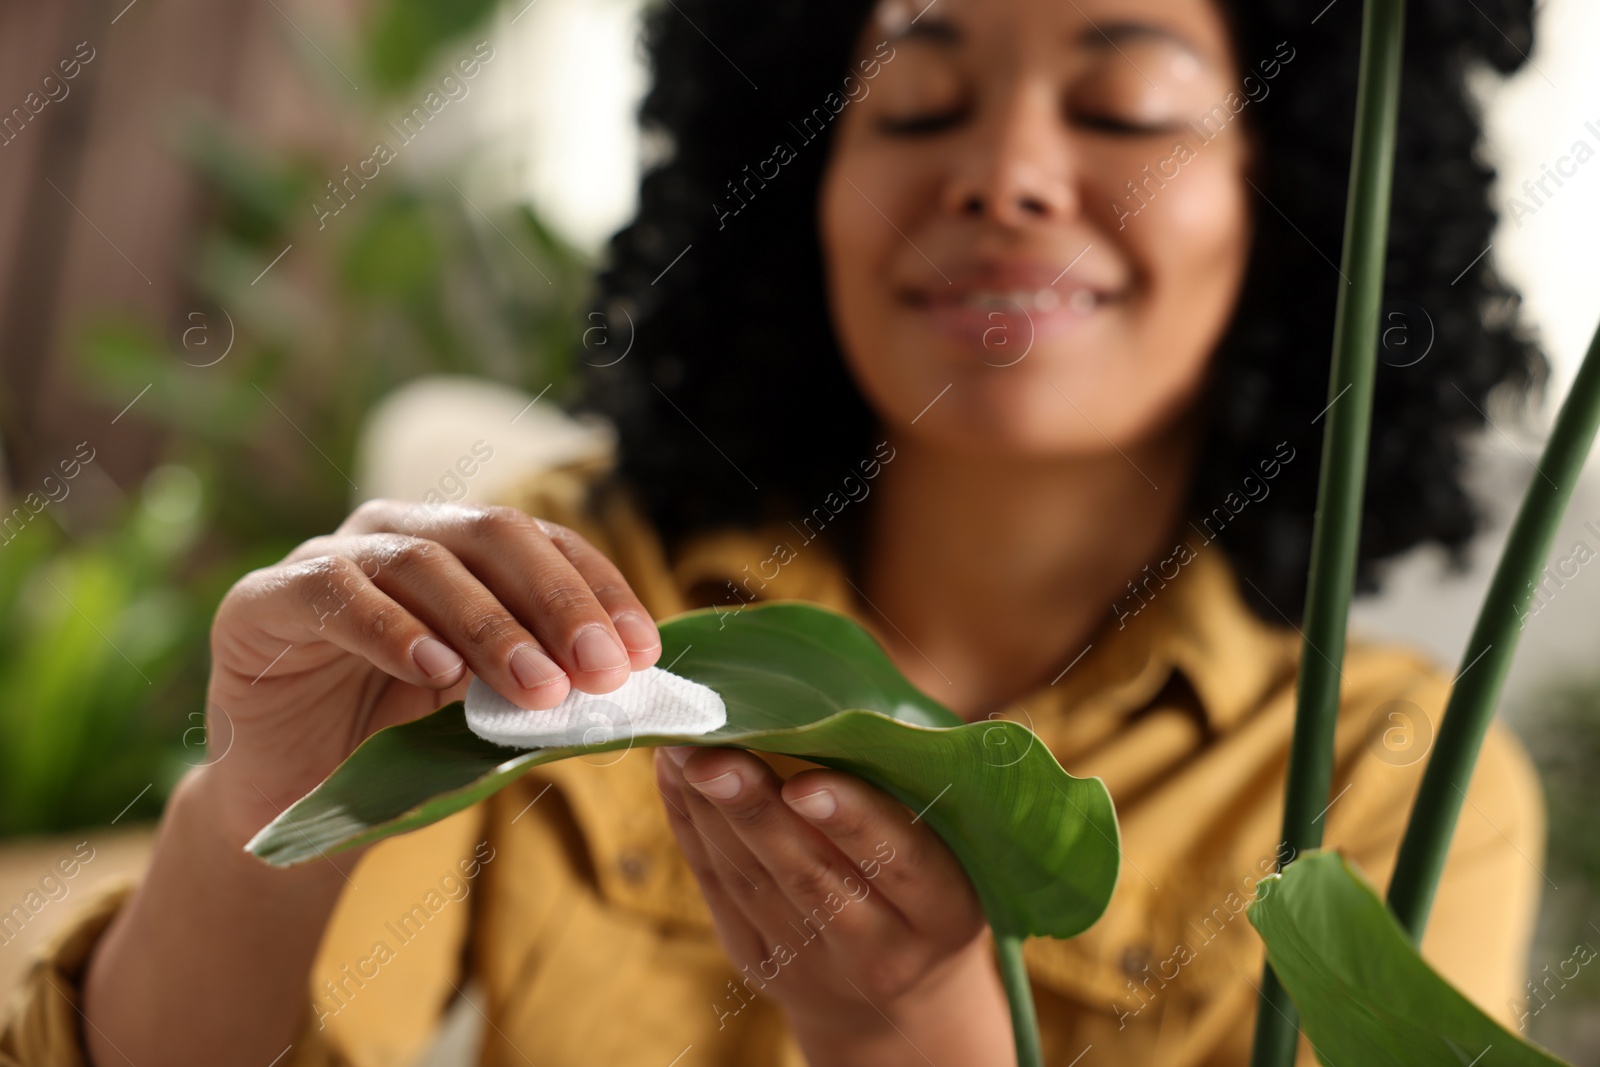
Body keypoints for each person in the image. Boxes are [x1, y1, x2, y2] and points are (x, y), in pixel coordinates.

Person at [0, 0, 1548, 1063]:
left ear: (1317, 198)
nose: (1001, 175)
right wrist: (257, 809)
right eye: (916, 103)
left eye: (1125, 109)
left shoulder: (1391, 787)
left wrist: (912, 1038)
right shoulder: (585, 593)